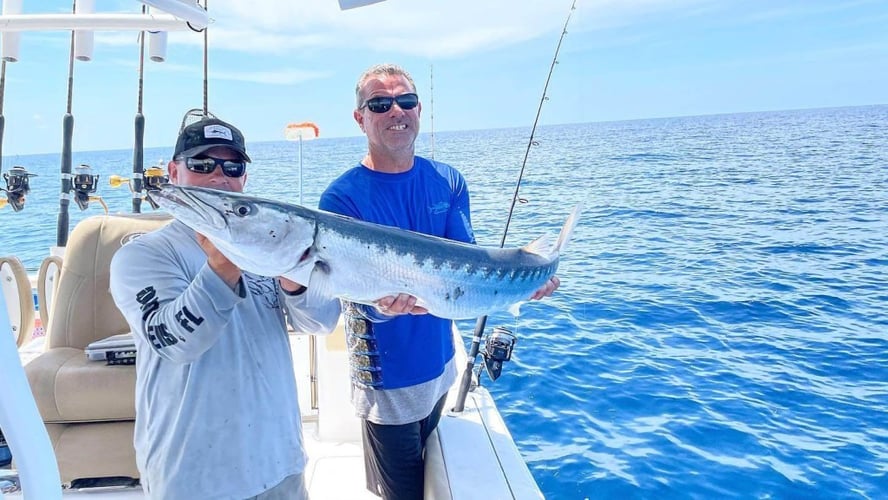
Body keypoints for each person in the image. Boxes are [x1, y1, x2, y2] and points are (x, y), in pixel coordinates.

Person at [319, 63, 560, 500]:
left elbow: (466, 268)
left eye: (405, 100)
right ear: (360, 117)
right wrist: (380, 305)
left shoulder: (448, 181)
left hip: (441, 369)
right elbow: (345, 287)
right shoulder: (341, 198)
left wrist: (524, 281)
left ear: (419, 109)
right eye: (380, 103)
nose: (396, 111)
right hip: (385, 382)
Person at [110, 116, 340, 499]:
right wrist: (223, 265)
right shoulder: (142, 256)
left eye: (232, 167)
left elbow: (321, 322)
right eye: (202, 165)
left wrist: (295, 273)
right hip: (194, 479)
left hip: (280, 466)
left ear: (244, 178)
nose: (220, 177)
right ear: (174, 171)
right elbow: (175, 342)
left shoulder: (267, 245)